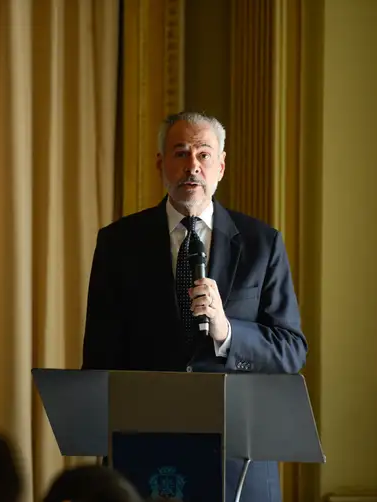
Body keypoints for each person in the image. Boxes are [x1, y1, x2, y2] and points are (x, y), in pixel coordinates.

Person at [82, 111, 308, 502]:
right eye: (181, 153)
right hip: (143, 457)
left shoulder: (262, 243)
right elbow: (100, 356)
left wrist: (227, 332)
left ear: (221, 165)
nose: (192, 166)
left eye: (204, 155)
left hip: (240, 462)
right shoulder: (118, 243)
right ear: (160, 164)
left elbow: (291, 350)